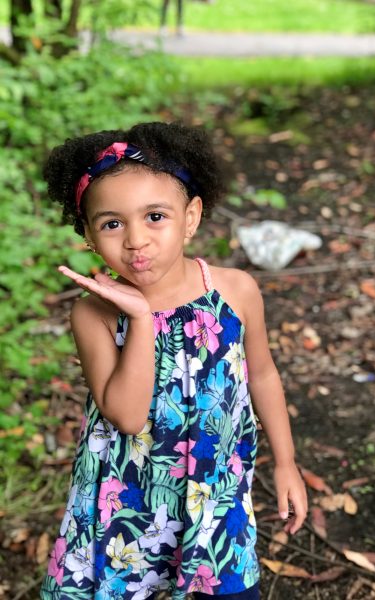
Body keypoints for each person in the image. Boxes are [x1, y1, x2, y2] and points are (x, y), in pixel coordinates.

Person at [40, 122, 308, 599]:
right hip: (123, 501)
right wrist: (141, 319)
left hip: (214, 490)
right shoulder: (93, 314)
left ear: (191, 217)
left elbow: (263, 375)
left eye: (155, 216)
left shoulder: (235, 291)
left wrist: (286, 462)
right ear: (88, 235)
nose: (136, 240)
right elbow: (126, 416)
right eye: (112, 223)